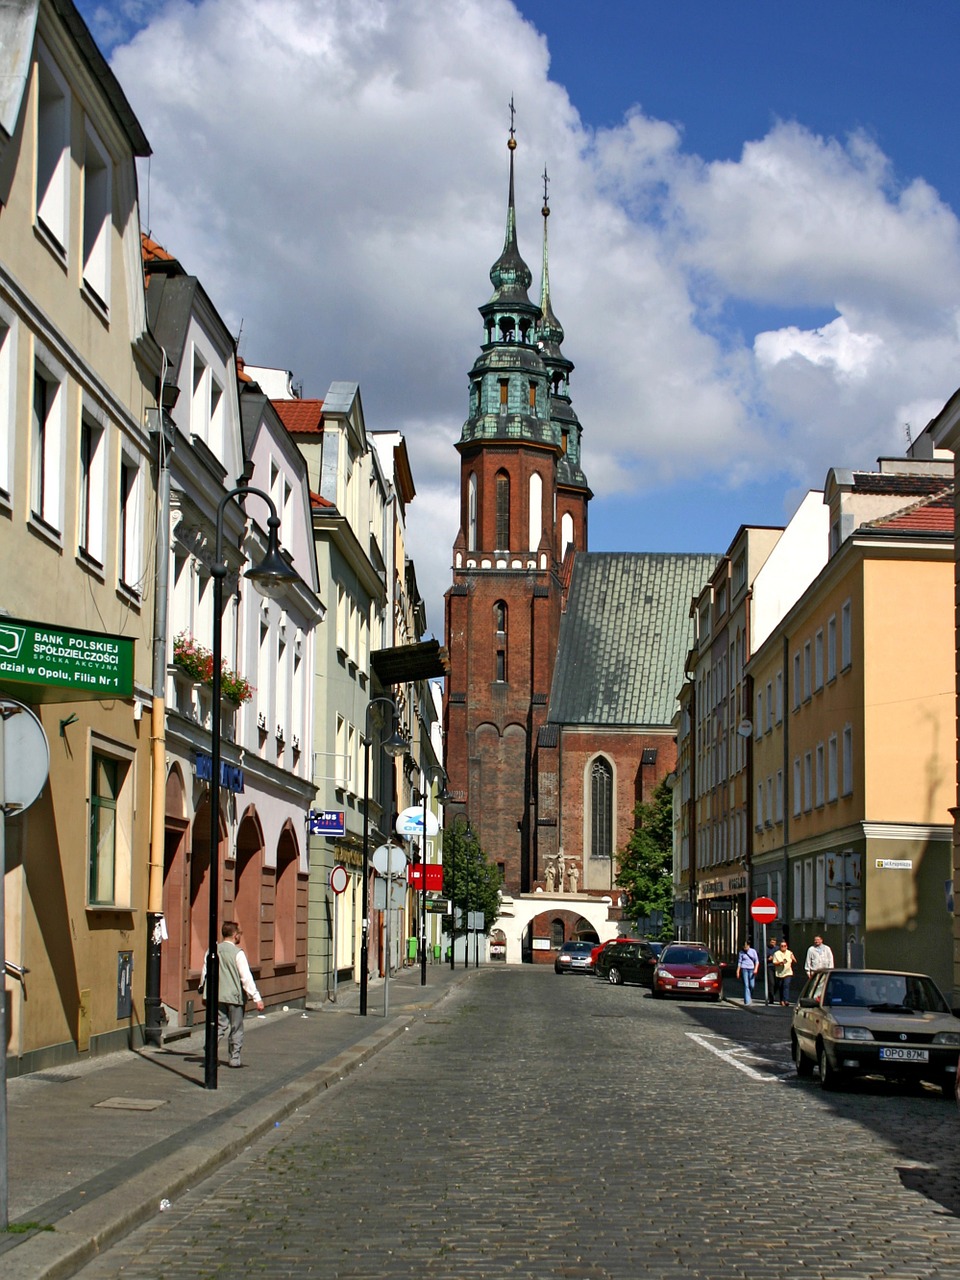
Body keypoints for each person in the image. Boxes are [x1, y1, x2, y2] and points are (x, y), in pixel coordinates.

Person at [200, 921, 264, 1068]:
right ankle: (234, 1058)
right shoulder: (238, 953)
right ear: (235, 935)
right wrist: (257, 998)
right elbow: (245, 977)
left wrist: (204, 992)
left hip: (216, 995)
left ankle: (210, 1049)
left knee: (218, 1025)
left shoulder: (212, 950)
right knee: (236, 1027)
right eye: (239, 934)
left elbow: (205, 972)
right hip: (234, 996)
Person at [771, 939, 797, 1006]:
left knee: (786, 985)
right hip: (780, 973)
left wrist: (793, 958)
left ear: (786, 946)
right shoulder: (776, 954)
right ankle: (781, 1000)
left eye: (784, 946)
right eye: (782, 946)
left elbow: (795, 961)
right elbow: (774, 963)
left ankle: (786, 1000)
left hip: (788, 972)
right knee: (781, 986)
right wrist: (780, 963)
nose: (783, 947)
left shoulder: (789, 953)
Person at [736, 939, 760, 1006]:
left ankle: (749, 995)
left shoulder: (753, 951)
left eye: (746, 947)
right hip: (744, 968)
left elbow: (757, 961)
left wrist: (756, 969)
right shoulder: (741, 952)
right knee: (746, 985)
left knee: (752, 985)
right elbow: (739, 962)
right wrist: (738, 971)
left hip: (752, 969)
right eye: (744, 947)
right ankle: (747, 1001)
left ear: (749, 946)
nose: (745, 948)